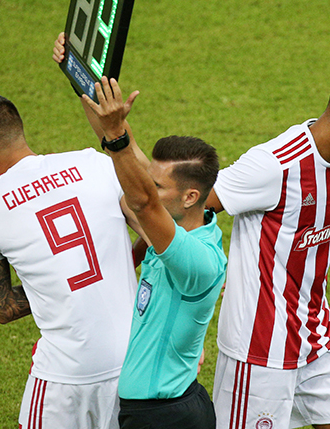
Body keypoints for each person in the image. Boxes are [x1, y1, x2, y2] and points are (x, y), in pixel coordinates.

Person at [207, 67, 330, 429]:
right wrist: (206, 264)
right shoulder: (275, 165)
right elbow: (192, 203)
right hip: (259, 348)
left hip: (317, 334)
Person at [0, 92, 145, 429]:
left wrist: (53, 280)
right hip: (136, 364)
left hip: (64, 380)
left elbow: (3, 308)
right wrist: (114, 261)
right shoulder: (94, 163)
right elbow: (158, 230)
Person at [82, 77, 227, 429]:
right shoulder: (172, 231)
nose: (148, 187)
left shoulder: (198, 261)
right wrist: (83, 80)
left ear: (190, 197)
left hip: (168, 417)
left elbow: (142, 202)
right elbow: (126, 155)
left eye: (157, 185)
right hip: (159, 411)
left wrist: (115, 134)